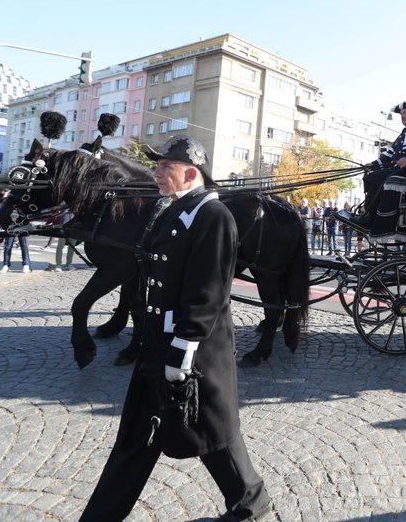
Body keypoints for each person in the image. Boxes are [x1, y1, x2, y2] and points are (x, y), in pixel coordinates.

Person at [81, 134, 272, 522]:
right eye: (156, 166)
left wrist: (182, 350)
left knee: (215, 433)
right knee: (135, 439)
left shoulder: (213, 216)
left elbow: (209, 291)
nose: (155, 173)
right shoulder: (174, 210)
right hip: (158, 344)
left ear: (190, 173)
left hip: (192, 350)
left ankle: (252, 501)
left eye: (164, 167)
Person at [336, 99, 406, 231]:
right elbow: (389, 155)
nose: (402, 116)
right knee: (371, 175)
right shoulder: (405, 131)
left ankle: (369, 218)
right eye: (401, 114)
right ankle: (369, 215)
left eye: (405, 113)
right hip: (400, 170)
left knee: (375, 178)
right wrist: (373, 164)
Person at [0, 189, 32, 273]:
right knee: (7, 247)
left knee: (24, 246)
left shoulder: (26, 199)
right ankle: (6, 265)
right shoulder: (8, 200)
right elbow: (0, 208)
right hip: (10, 225)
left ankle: (26, 265)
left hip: (22, 225)